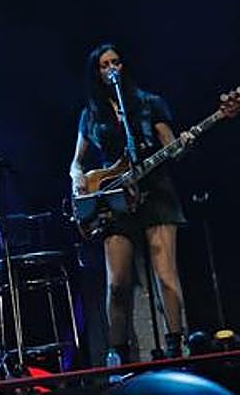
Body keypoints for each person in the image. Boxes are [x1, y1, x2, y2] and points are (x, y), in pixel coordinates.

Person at [69, 44, 188, 364]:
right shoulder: (91, 114)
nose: (112, 68)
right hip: (116, 198)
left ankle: (176, 347)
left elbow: (171, 145)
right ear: (97, 72)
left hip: (156, 192)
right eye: (105, 64)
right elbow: (76, 163)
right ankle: (118, 355)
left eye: (116, 62)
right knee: (118, 283)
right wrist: (78, 180)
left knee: (166, 275)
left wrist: (180, 146)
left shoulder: (149, 104)